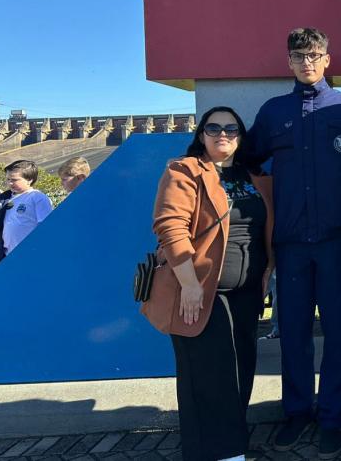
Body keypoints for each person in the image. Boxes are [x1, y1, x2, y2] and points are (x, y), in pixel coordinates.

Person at [247, 27, 341, 457]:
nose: (307, 63)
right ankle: (298, 411)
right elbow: (248, 162)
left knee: (338, 330)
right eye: (298, 57)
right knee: (294, 330)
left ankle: (335, 413)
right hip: (291, 244)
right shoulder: (273, 112)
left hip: (336, 241)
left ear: (328, 60)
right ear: (288, 62)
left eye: (315, 55)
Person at [146, 106, 274, 461]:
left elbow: (266, 228)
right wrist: (190, 284)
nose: (223, 134)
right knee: (206, 376)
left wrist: (268, 269)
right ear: (201, 134)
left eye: (231, 128)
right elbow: (170, 227)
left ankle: (233, 447)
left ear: (240, 136)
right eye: (213, 127)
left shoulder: (255, 176)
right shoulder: (184, 170)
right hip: (202, 291)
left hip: (247, 291)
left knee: (239, 370)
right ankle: (217, 453)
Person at [0, 160, 53, 266]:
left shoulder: (37, 198)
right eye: (8, 179)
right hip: (5, 255)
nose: (9, 183)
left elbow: (45, 227)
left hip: (29, 256)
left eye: (14, 180)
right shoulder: (3, 199)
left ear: (29, 180)